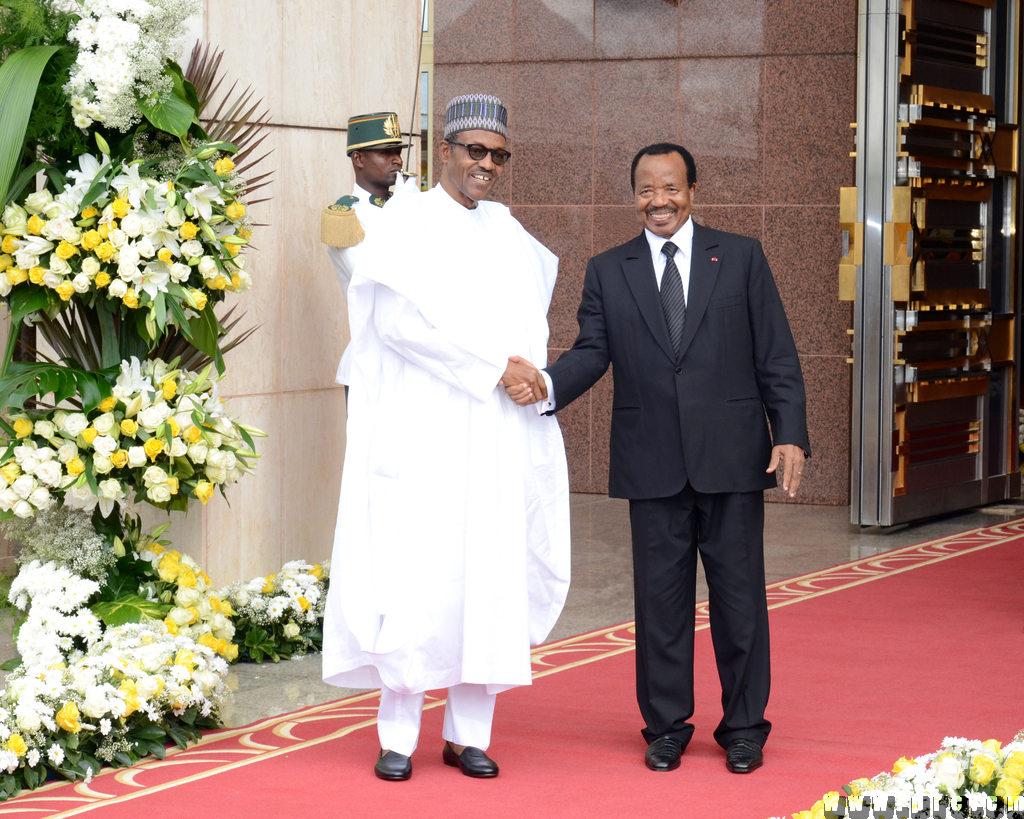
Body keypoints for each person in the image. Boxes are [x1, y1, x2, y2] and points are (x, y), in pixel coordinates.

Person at [507, 143, 810, 775]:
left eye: (670, 188)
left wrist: (790, 435)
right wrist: (548, 383)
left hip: (731, 460)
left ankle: (745, 727)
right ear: (635, 196)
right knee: (660, 604)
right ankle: (666, 726)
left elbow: (775, 354)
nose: (658, 201)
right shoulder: (608, 269)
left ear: (693, 190)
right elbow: (592, 352)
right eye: (646, 190)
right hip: (651, 463)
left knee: (739, 600)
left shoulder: (742, 257)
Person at [321, 94, 570, 782]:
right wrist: (493, 368)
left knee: (484, 574)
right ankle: (397, 734)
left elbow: (532, 325)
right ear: (447, 153)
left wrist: (526, 376)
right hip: (425, 431)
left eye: (498, 155)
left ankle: (468, 734)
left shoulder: (508, 230)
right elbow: (398, 327)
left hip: (493, 435)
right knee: (418, 575)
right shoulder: (406, 223)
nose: (486, 166)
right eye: (474, 152)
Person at [321, 111, 419, 387]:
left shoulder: (408, 206)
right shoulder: (343, 215)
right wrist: (403, 214)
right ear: (359, 159)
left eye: (398, 151)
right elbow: (381, 277)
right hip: (371, 369)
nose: (397, 160)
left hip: (418, 368)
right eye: (386, 153)